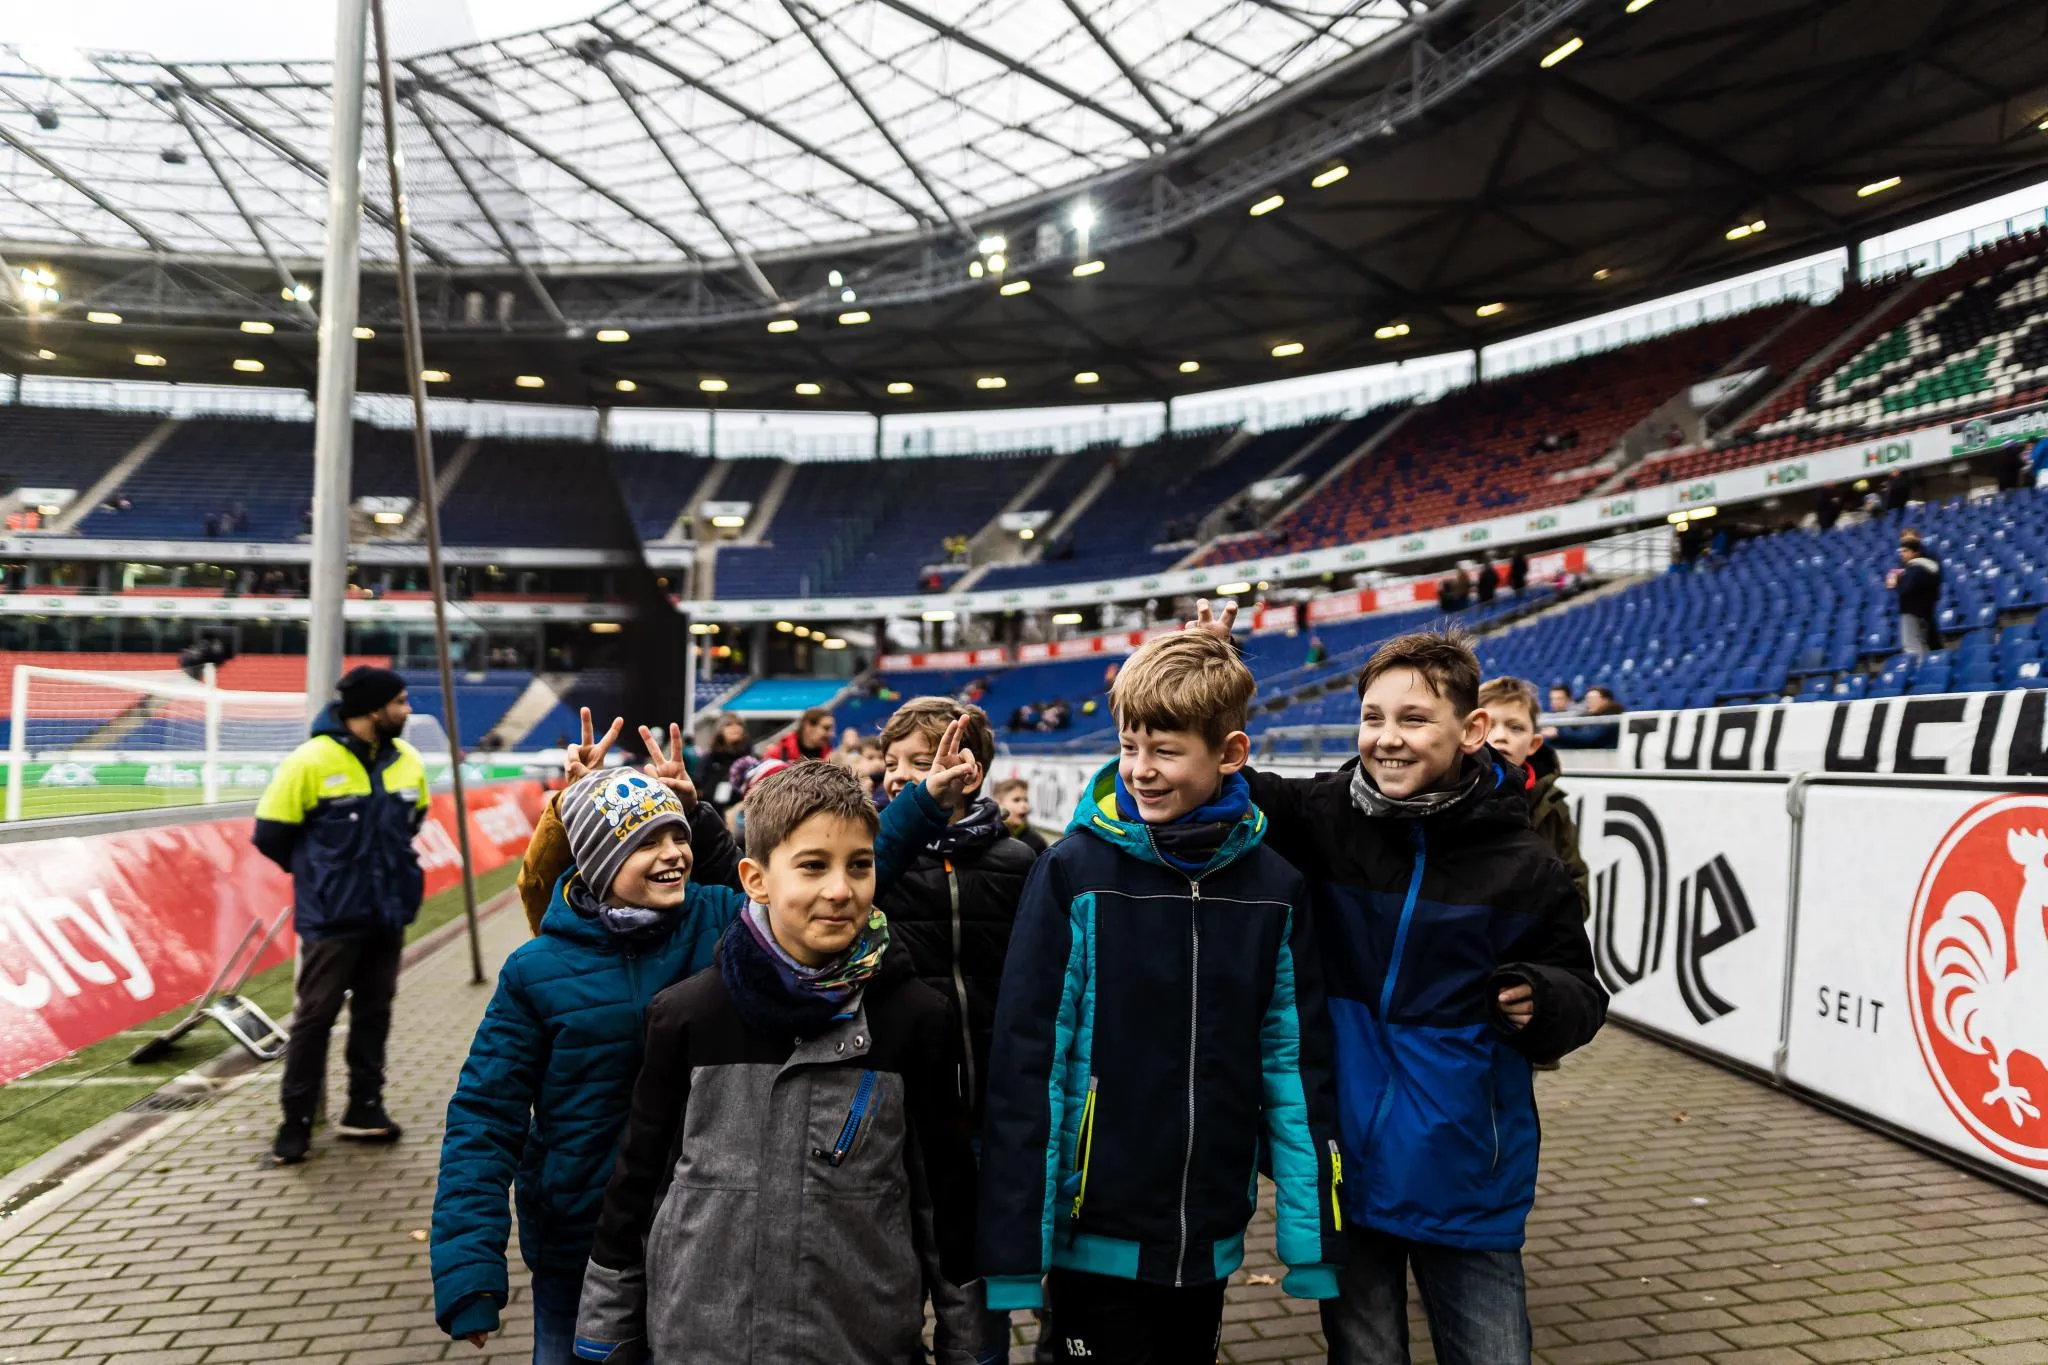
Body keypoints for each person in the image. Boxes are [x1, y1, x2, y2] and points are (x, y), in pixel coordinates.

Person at [437, 718, 967, 1363]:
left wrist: (923, 800)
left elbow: (825, 868)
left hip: (705, 1245)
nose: (672, 854)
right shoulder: (535, 971)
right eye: (644, 841)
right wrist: (468, 1265)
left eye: (677, 837)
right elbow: (484, 1116)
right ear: (598, 862)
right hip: (580, 1241)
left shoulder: (719, 919)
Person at [1187, 604, 1606, 1365]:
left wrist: (1543, 996)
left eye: (1414, 719)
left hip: (1464, 1168)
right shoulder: (1319, 814)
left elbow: (1582, 989)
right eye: (1372, 717)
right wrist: (1206, 679)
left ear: (1472, 730)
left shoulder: (1526, 863)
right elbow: (1215, 780)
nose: (1387, 737)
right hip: (1343, 1159)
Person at [978, 630, 1345, 1363]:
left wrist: (1313, 1243)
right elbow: (1029, 1059)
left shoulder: (1277, 888)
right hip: (1094, 1231)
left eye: (1165, 751)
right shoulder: (1073, 873)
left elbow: (1294, 1066)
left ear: (1231, 753)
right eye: (1128, 746)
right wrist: (1017, 1244)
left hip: (1211, 1231)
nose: (1140, 770)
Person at [573, 755, 984, 1363]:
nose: (840, 889)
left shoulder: (916, 1018)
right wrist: (607, 1329)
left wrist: (969, 1336)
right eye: (813, 866)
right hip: (701, 1341)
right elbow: (637, 1183)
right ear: (756, 879)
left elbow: (944, 1194)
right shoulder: (687, 1016)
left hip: (860, 1343)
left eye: (860, 865)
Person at [876, 698, 1037, 1363]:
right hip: (897, 1116)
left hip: (987, 1118)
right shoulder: (876, 860)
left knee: (973, 1286)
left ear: (969, 771)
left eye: (918, 762)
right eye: (890, 762)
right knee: (889, 1284)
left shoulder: (1020, 861)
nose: (896, 775)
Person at [253, 664, 430, 1166]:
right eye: (399, 702)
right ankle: (295, 1122)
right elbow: (271, 834)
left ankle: (364, 1107)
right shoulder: (309, 761)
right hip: (332, 917)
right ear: (373, 711)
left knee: (376, 1012)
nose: (407, 710)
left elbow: (414, 819)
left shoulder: (408, 760)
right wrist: (321, 875)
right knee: (315, 1017)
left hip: (388, 912)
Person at [1480, 677, 1589, 917]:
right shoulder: (1444, 796)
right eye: (1489, 725)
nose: (1501, 736)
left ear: (1534, 743)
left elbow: (1577, 887)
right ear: (1469, 732)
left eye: (1515, 727)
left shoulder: (1553, 806)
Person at [1890, 532, 1942, 657]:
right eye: (1901, 551)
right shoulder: (1927, 565)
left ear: (1915, 552)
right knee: (1924, 644)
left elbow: (1905, 589)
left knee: (1913, 648)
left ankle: (1924, 668)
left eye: (1905, 551)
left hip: (1913, 612)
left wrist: (1896, 581)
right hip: (1924, 612)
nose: (1902, 554)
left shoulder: (1916, 568)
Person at [692, 712, 751, 814]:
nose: (735, 728)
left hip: (742, 813)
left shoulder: (750, 758)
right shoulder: (710, 758)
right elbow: (698, 783)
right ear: (720, 730)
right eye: (729, 724)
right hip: (713, 813)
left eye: (739, 724)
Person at [1549, 684, 1624, 749]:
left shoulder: (1611, 717)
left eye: (1593, 699)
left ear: (1606, 700)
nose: (1589, 702)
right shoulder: (1586, 716)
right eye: (1588, 699)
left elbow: (1590, 738)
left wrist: (1559, 733)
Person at [992, 775, 1048, 855]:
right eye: (1016, 800)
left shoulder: (1037, 843)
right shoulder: (986, 837)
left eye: (1026, 800)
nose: (1024, 805)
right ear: (998, 803)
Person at [765, 704, 835, 762]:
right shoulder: (777, 755)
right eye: (826, 728)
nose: (831, 734)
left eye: (832, 729)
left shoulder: (831, 756)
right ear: (808, 726)